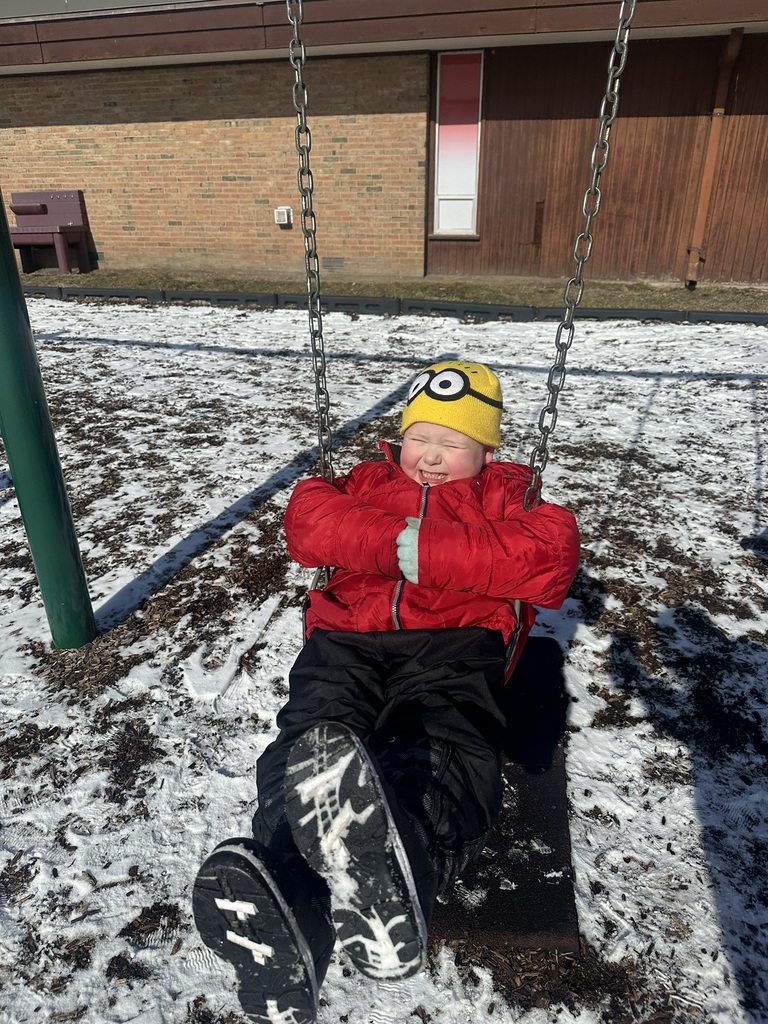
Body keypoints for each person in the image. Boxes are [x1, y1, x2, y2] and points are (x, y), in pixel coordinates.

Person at [193, 360, 580, 1024]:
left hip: (455, 644)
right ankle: (290, 891)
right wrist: (444, 550)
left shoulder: (508, 496)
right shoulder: (368, 480)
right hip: (344, 641)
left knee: (443, 744)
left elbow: (547, 561)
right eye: (419, 437)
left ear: (486, 451)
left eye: (452, 443)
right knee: (311, 736)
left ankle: (405, 863)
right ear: (397, 442)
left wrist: (391, 546)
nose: (430, 454)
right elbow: (309, 522)